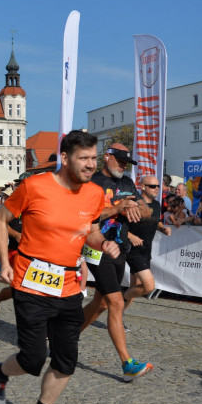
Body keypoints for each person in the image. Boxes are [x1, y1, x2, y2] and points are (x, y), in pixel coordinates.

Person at [0, 130, 115, 404]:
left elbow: (90, 234)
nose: (89, 165)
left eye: (93, 158)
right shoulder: (34, 186)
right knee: (32, 359)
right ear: (66, 158)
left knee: (66, 360)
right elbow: (1, 219)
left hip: (69, 287)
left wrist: (104, 244)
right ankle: (0, 373)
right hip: (32, 283)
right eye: (83, 159)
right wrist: (4, 262)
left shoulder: (95, 193)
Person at [82, 143, 151, 382]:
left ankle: (66, 337)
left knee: (99, 305)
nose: (123, 166)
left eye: (126, 163)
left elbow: (147, 213)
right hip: (96, 247)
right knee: (115, 302)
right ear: (107, 157)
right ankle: (127, 362)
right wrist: (116, 209)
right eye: (119, 160)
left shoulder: (128, 183)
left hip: (120, 247)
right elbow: (86, 217)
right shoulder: (92, 183)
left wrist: (136, 207)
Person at [122, 176, 169, 316]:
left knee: (134, 288)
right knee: (149, 287)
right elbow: (118, 224)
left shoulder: (156, 204)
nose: (156, 189)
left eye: (157, 186)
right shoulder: (134, 203)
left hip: (146, 250)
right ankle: (119, 299)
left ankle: (117, 316)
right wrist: (130, 236)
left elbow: (156, 222)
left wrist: (163, 229)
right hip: (133, 250)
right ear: (142, 187)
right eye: (152, 186)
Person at [0, 186, 21, 322]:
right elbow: (0, 222)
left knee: (32, 289)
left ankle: (41, 325)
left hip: (33, 253)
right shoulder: (9, 206)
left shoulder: (34, 203)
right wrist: (16, 234)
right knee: (18, 288)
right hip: (14, 250)